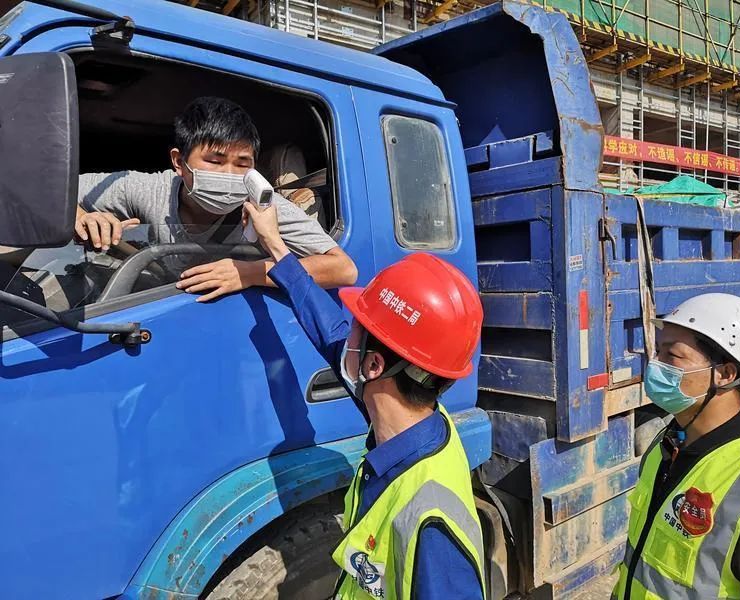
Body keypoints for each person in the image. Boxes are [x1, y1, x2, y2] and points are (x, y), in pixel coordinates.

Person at [241, 199, 486, 599]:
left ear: (373, 366)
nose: (346, 334)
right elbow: (328, 328)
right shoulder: (416, 420)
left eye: (358, 327)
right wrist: (277, 248)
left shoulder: (433, 526)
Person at [76, 96, 356, 302]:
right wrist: (84, 217)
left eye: (242, 163)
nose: (230, 174)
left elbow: (342, 269)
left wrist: (250, 273)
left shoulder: (263, 207)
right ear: (179, 161)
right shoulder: (147, 189)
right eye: (214, 160)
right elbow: (49, 195)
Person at [613, 293, 740, 600]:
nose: (654, 365)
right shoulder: (667, 444)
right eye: (657, 351)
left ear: (726, 374)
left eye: (672, 356)